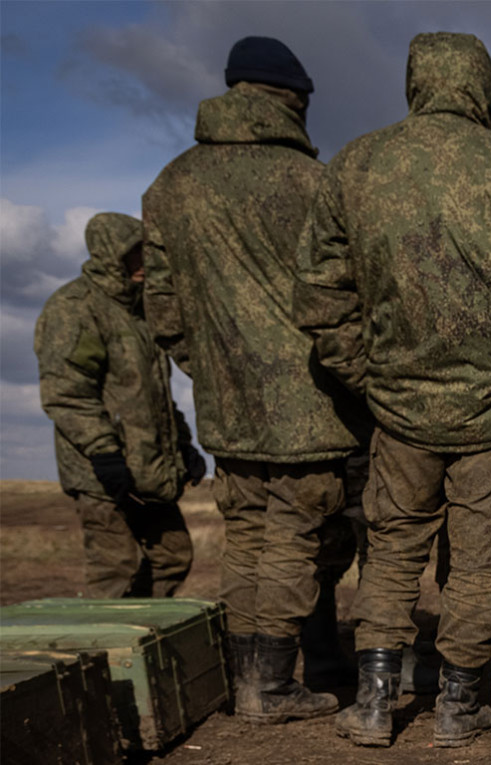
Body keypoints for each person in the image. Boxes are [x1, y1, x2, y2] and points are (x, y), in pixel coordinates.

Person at [294, 33, 491, 748]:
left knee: (392, 551)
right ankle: (459, 705)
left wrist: (369, 376)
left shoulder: (358, 162)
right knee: (482, 562)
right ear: (484, 87)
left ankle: (374, 703)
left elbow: (319, 293)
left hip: (398, 412)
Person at [142, 36, 369, 723]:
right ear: (291, 101)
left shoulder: (170, 184)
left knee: (243, 534)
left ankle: (247, 678)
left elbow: (163, 309)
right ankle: (270, 686)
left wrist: (212, 366)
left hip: (227, 402)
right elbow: (348, 293)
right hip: (312, 403)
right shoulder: (313, 183)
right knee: (300, 536)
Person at [35, 212, 203, 600]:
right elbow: (66, 391)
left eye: (146, 254)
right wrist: (104, 453)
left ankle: (141, 642)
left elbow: (157, 395)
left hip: (148, 469)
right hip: (102, 472)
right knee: (116, 569)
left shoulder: (142, 311)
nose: (143, 264)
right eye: (133, 255)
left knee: (173, 556)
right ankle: (106, 654)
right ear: (110, 256)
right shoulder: (75, 308)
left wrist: (182, 444)